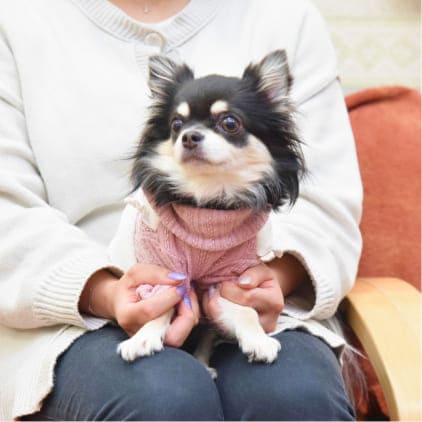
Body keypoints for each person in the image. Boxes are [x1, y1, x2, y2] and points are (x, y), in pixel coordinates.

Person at [0, 0, 362, 420]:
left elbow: (327, 207)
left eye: (228, 125)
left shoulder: (285, 17)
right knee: (162, 398)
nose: (193, 137)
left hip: (267, 310)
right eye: (180, 127)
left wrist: (266, 282)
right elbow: (8, 214)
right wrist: (107, 292)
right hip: (71, 321)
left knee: (293, 396)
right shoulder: (17, 20)